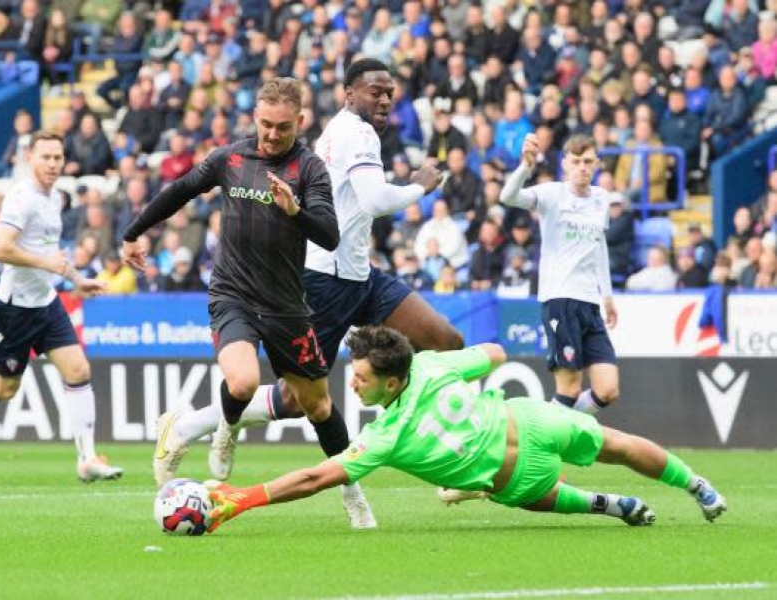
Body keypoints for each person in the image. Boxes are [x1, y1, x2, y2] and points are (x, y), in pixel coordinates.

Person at [152, 59, 461, 509]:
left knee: (444, 340)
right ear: (348, 94)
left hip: (361, 274)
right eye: (374, 91)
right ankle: (187, 426)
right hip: (320, 279)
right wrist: (419, 186)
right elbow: (376, 200)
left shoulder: (348, 133)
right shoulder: (354, 132)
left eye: (389, 92)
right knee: (300, 400)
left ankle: (456, 456)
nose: (384, 99)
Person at [121, 78, 377, 529]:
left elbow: (330, 235)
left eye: (282, 127)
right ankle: (227, 426)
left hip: (286, 306)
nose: (272, 134)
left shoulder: (310, 169)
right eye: (265, 124)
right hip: (233, 293)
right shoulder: (231, 159)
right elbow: (179, 190)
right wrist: (132, 233)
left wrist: (295, 210)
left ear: (299, 122)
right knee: (240, 383)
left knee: (317, 406)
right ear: (254, 117)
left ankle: (352, 492)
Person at [203, 326, 727, 533]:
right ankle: (689, 488)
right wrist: (466, 365)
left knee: (543, 489)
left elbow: (317, 478)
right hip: (528, 420)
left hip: (512, 473)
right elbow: (496, 353)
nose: (354, 387)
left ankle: (625, 502)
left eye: (362, 379)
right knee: (615, 446)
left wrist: (240, 499)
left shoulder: (385, 437)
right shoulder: (432, 365)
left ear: (391, 381)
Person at [0, 131, 123, 483]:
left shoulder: (54, 199)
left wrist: (77, 281)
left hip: (46, 302)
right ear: (30, 158)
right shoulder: (22, 198)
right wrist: (45, 265)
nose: (52, 164)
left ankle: (87, 459)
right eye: (45, 157)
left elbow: (52, 252)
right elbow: (0, 249)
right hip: (15, 308)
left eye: (57, 158)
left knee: (78, 371)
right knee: (5, 389)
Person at [500, 133, 620, 415]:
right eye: (576, 161)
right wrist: (525, 169)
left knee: (608, 389)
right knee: (569, 388)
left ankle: (547, 426)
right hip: (560, 299)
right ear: (565, 164)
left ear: (597, 164)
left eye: (588, 161)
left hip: (590, 303)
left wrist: (608, 295)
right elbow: (507, 196)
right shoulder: (551, 194)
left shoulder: (601, 198)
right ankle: (545, 437)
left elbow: (598, 245)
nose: (582, 167)